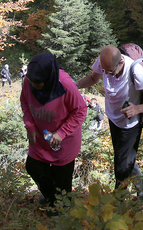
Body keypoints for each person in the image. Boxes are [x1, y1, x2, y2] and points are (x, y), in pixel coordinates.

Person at [76, 45, 143, 192]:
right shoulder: (104, 62)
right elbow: (92, 78)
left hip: (130, 125)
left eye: (111, 71)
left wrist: (137, 109)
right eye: (105, 71)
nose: (107, 74)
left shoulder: (136, 71)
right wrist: (74, 85)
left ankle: (118, 202)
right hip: (114, 119)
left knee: (121, 167)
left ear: (121, 62)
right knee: (123, 158)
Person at [20, 52, 86, 208]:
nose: (34, 85)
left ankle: (62, 211)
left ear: (48, 77)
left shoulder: (65, 84)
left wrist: (62, 132)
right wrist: (30, 126)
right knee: (33, 168)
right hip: (40, 138)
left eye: (38, 82)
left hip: (63, 142)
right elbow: (24, 101)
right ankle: (51, 198)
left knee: (62, 181)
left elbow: (80, 110)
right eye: (32, 81)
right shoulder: (29, 81)